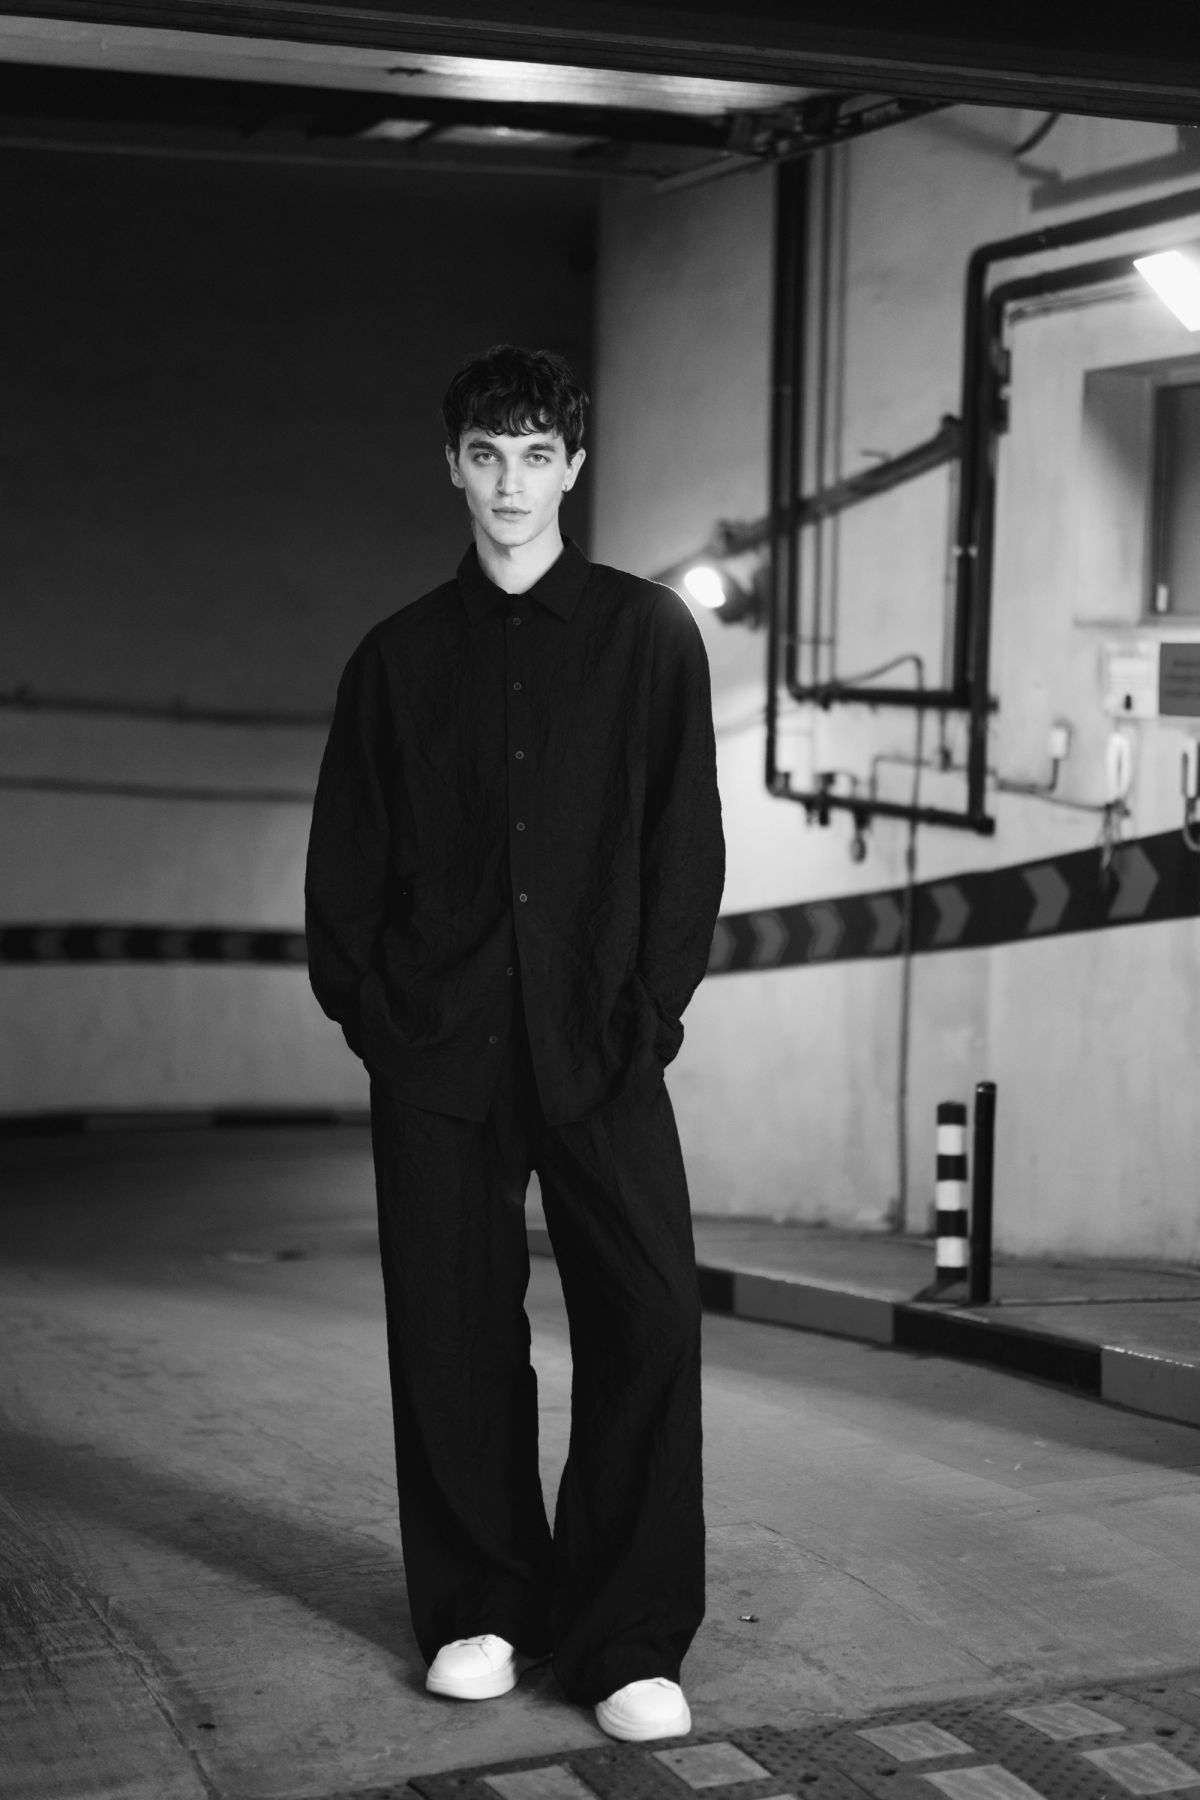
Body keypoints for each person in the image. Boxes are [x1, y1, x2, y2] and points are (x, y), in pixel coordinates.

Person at [305, 343, 725, 1743]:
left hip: (601, 1046)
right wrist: (383, 1021)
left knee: (651, 1319)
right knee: (453, 1335)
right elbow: (346, 870)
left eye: (537, 455)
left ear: (574, 468)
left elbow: (683, 842)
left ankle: (626, 1638)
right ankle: (482, 1606)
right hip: (441, 1055)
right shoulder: (396, 660)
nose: (509, 484)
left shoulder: (649, 635)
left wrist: (649, 1011)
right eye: (487, 455)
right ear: (452, 465)